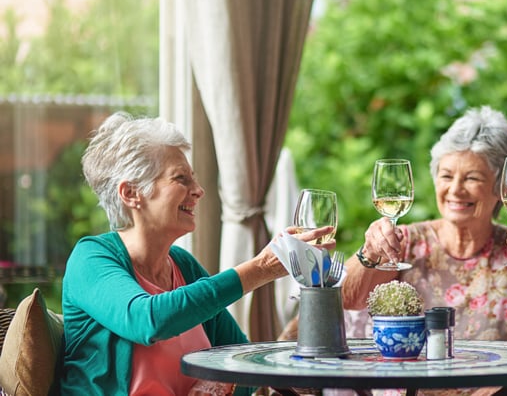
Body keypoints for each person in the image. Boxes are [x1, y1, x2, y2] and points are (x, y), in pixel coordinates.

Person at [60, 112, 334, 395]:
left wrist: (220, 382)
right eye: (181, 179)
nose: (199, 191)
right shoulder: (91, 259)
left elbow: (246, 360)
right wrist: (260, 269)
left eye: (195, 180)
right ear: (131, 193)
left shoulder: (183, 267)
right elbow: (148, 321)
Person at [341, 105, 507, 344]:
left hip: (492, 382)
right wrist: (368, 253)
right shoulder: (403, 243)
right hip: (412, 381)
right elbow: (347, 300)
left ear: (503, 188)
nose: (455, 190)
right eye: (447, 176)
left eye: (472, 178)